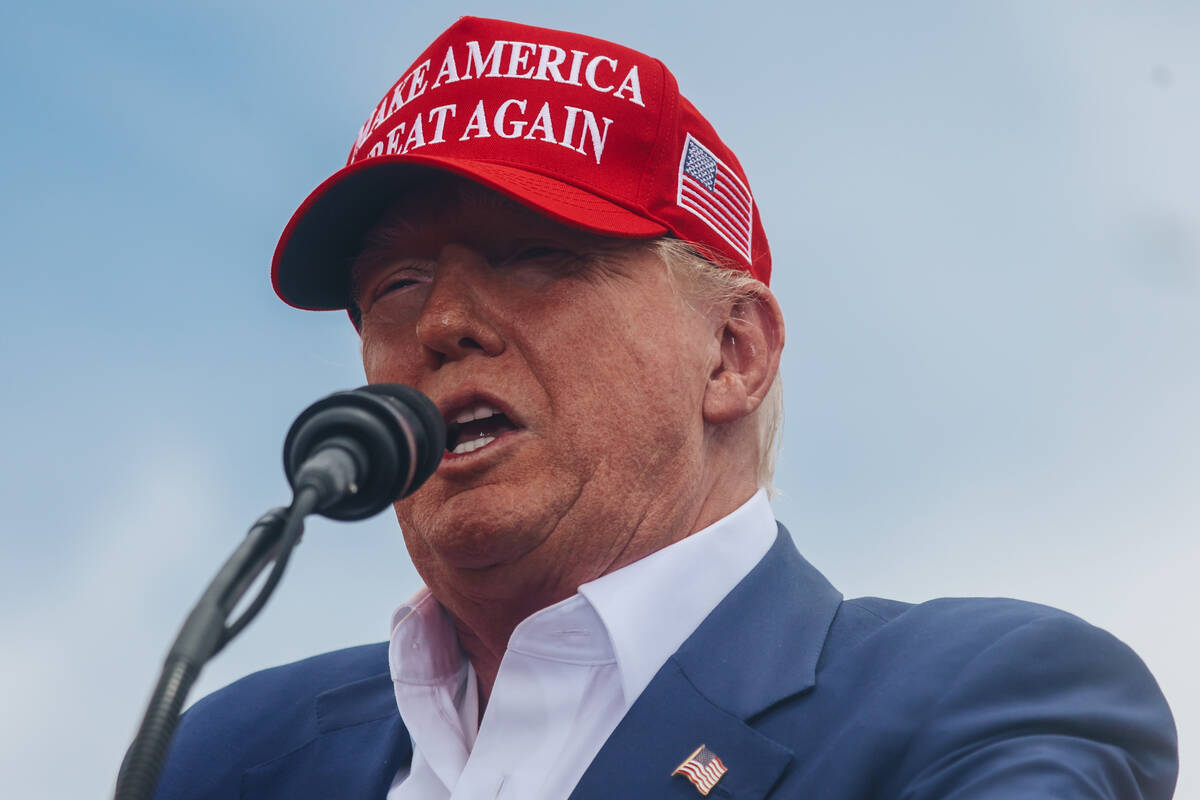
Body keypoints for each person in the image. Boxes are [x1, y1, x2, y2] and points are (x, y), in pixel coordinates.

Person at [153, 16, 1177, 800]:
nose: (447, 321)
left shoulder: (983, 700)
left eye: (536, 257)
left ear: (733, 352)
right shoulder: (227, 754)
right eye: (396, 285)